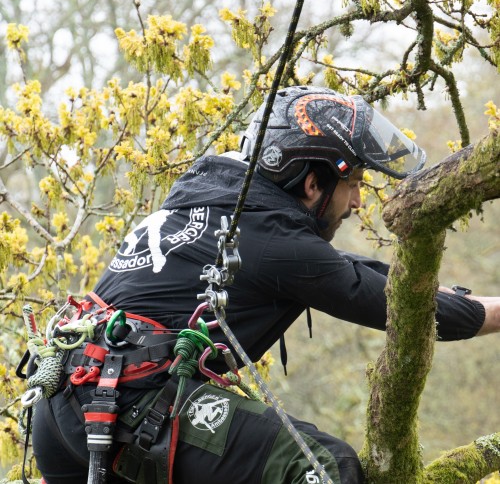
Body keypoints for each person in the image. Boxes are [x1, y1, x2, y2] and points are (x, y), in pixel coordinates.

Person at [30, 86, 500, 484]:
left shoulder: (214, 208)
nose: (358, 201)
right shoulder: (271, 241)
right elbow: (400, 308)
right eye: (353, 180)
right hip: (131, 403)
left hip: (62, 408)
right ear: (312, 181)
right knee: (325, 467)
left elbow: (352, 270)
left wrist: (458, 293)